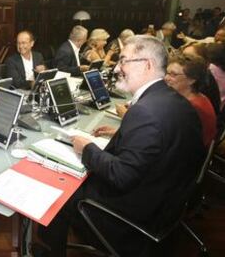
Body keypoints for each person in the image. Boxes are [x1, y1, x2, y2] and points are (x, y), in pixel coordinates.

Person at [38, 35, 205, 256]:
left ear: (147, 65)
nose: (117, 68)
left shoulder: (145, 112)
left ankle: (48, 251)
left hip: (131, 216)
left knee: (57, 193)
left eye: (123, 60)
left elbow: (120, 175)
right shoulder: (177, 102)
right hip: (164, 205)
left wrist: (87, 148)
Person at [165, 53, 217, 147]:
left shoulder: (191, 108)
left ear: (191, 80)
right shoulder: (194, 97)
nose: (166, 78)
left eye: (173, 75)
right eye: (167, 73)